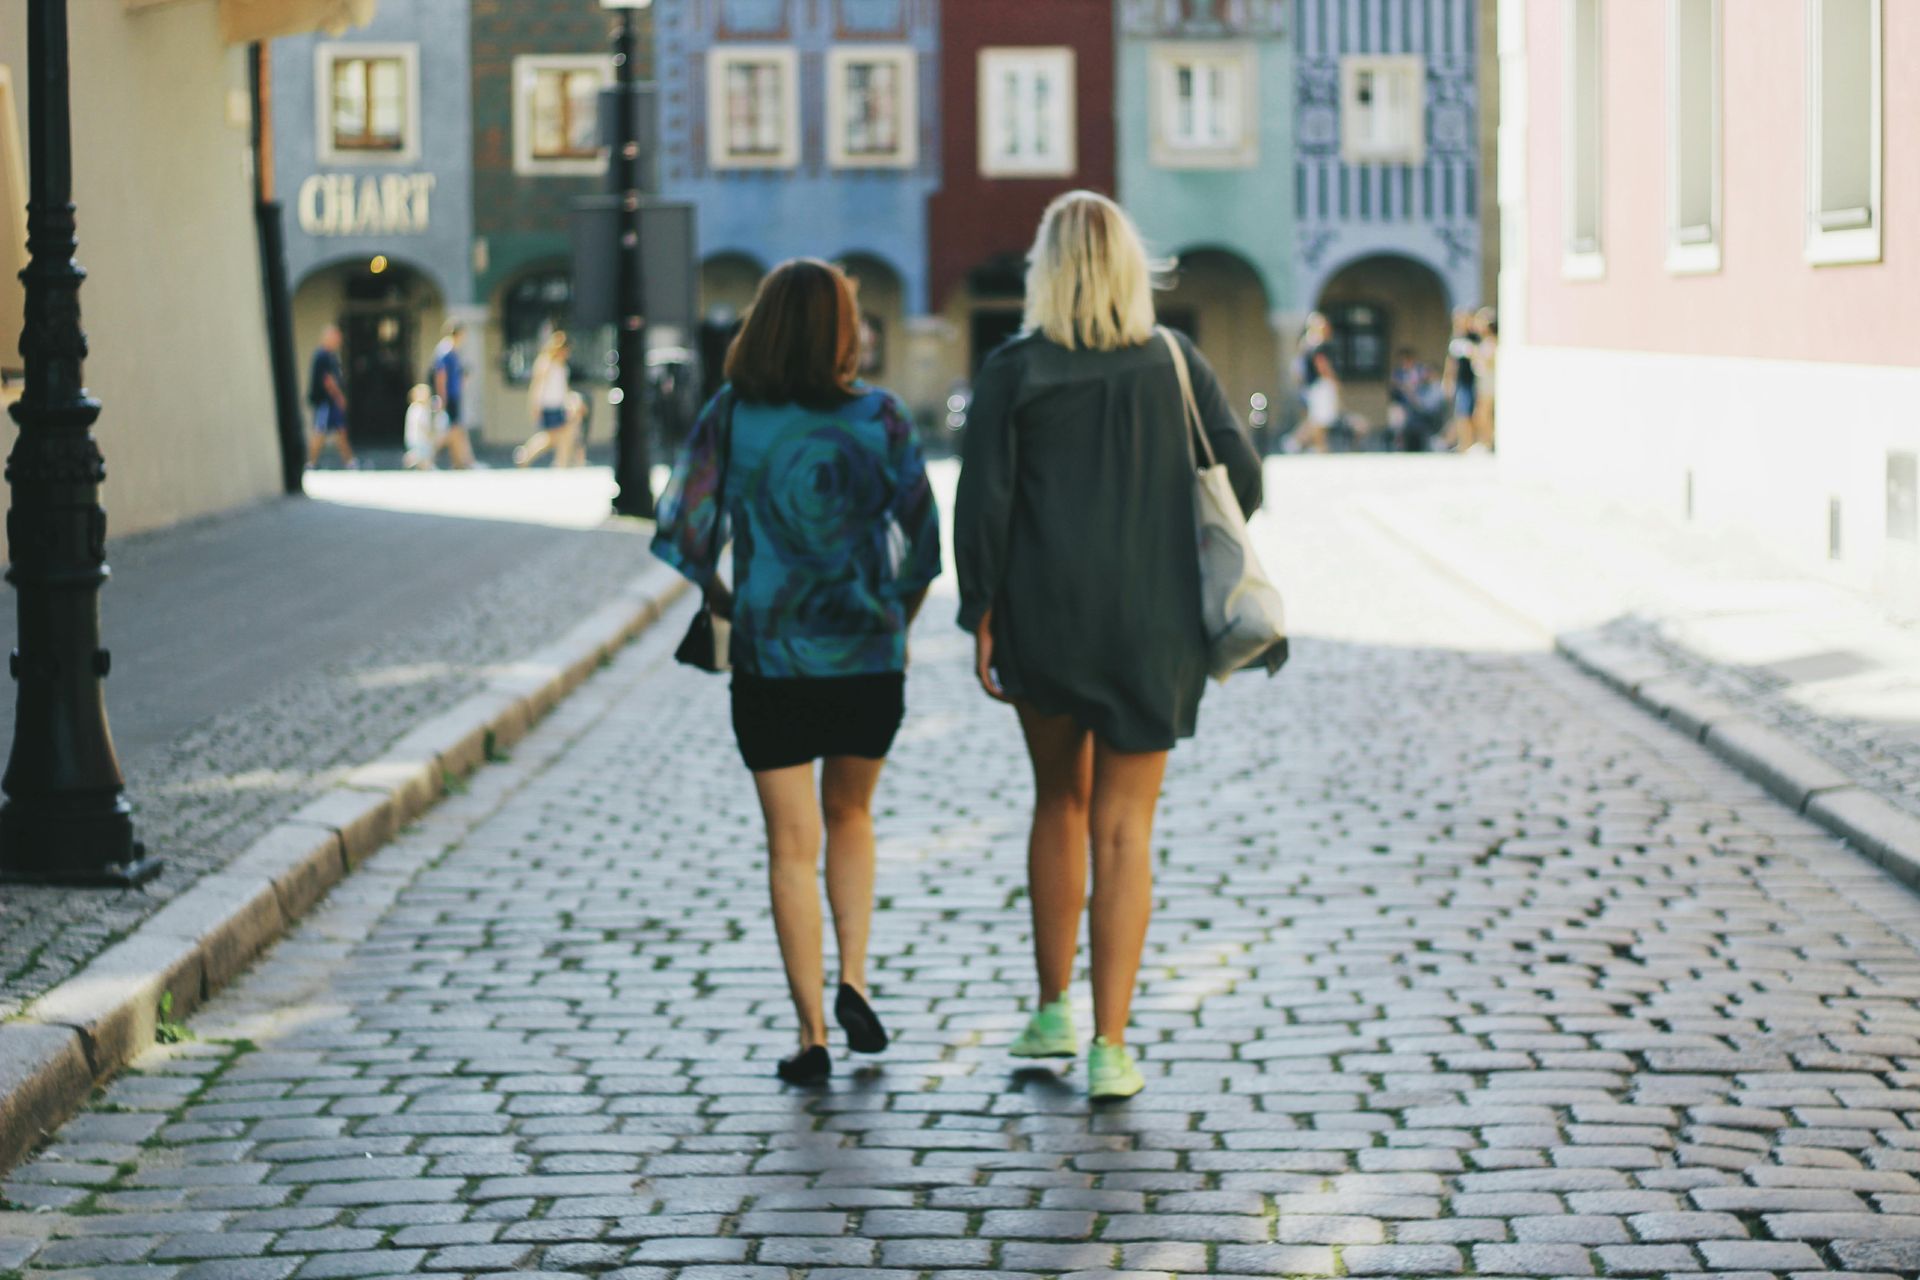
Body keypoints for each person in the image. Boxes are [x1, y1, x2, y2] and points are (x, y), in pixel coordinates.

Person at [953, 191, 1262, 1102]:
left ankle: (1054, 1008)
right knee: (1125, 828)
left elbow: (984, 502)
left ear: (1046, 272)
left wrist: (981, 611)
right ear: (1131, 268)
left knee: (1058, 801)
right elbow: (1241, 476)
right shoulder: (1175, 362)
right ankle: (1112, 1046)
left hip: (1046, 618)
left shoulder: (1014, 368)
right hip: (1153, 624)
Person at [652, 259, 942, 1087]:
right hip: (866, 656)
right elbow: (924, 549)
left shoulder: (733, 416)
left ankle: (812, 1033)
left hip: (770, 659)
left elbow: (685, 533)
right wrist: (898, 621)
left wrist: (732, 601)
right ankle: (854, 978)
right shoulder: (882, 418)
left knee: (790, 846)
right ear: (845, 334)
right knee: (852, 817)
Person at [514, 331, 574, 467]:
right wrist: (535, 405)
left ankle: (561, 463)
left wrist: (568, 401)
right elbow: (537, 386)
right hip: (548, 404)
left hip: (559, 404)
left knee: (562, 435)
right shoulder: (545, 363)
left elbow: (564, 386)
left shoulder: (562, 365)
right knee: (551, 437)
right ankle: (525, 454)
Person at [305, 324, 356, 470]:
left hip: (330, 402)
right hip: (325, 401)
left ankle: (349, 461)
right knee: (319, 431)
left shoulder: (330, 355)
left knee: (340, 430)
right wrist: (339, 397)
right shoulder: (322, 355)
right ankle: (311, 463)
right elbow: (328, 380)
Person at [430, 322, 476, 469]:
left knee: (456, 428)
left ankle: (459, 461)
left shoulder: (454, 351)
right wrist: (442, 397)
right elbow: (440, 375)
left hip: (454, 394)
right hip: (448, 396)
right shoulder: (445, 351)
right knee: (453, 429)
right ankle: (429, 454)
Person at [1295, 313, 1339, 453]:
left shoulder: (1306, 343)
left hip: (1311, 386)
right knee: (1319, 419)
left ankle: (1311, 444)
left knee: (1316, 418)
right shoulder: (1316, 343)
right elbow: (1322, 365)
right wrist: (1334, 380)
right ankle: (1311, 445)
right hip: (1319, 385)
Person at [1441, 309, 1480, 451]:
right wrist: (1447, 379)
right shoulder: (1456, 338)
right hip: (1462, 381)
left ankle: (1471, 442)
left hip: (1473, 380)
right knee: (1462, 412)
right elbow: (1451, 361)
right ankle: (1464, 443)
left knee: (1472, 413)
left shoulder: (1473, 337)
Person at [1469, 307, 1498, 452]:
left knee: (1484, 413)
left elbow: (1490, 362)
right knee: (1481, 413)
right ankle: (1486, 442)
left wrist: (1474, 353)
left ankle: (1488, 443)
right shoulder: (1485, 341)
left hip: (1489, 381)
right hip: (1484, 381)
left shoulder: (1492, 342)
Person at [402, 384, 438, 471]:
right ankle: (415, 459)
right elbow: (424, 428)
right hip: (419, 442)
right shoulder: (419, 409)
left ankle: (417, 459)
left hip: (413, 442)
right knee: (428, 451)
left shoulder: (413, 408)